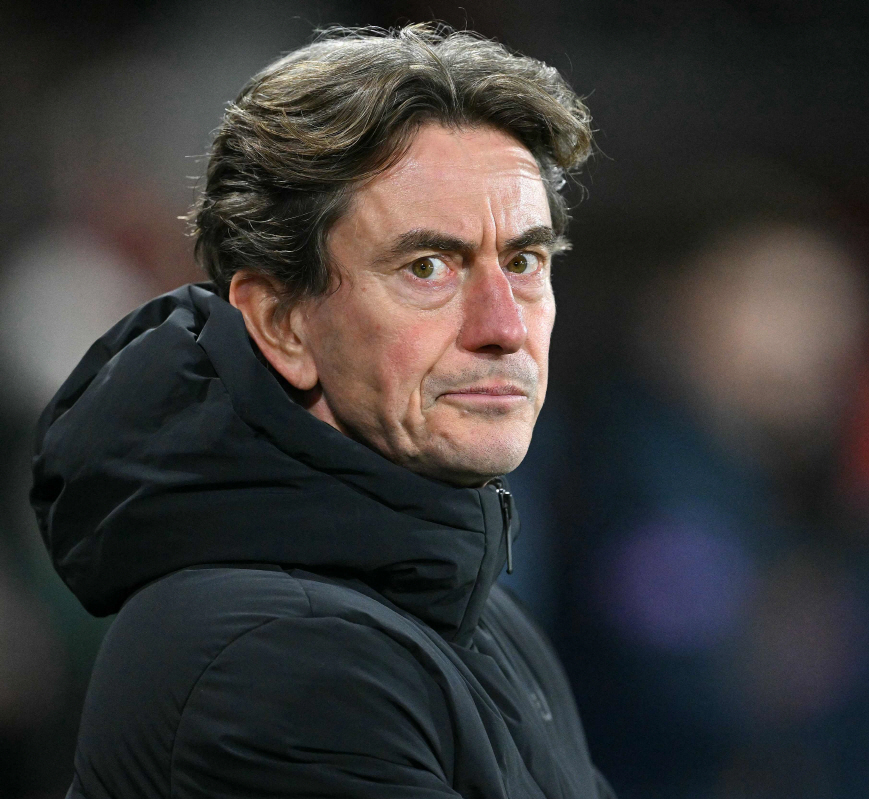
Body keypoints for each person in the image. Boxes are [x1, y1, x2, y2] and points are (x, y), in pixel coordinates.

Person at [31, 25, 613, 799]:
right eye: (428, 267)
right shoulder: (277, 660)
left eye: (524, 261)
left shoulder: (485, 619)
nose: (504, 326)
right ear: (281, 323)